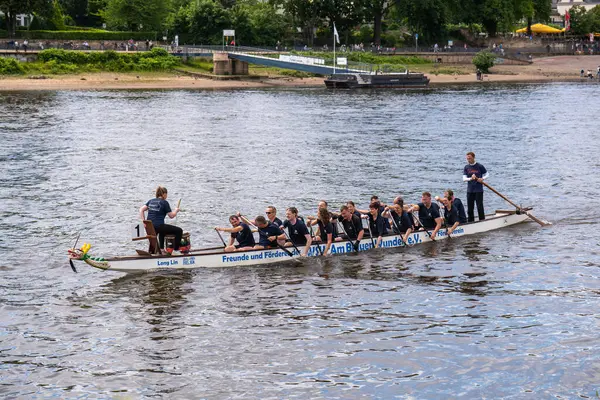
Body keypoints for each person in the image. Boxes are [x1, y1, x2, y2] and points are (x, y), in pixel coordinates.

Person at [138, 186, 182, 253]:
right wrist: (176, 210)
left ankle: (161, 249)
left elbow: (141, 209)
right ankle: (176, 249)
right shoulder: (164, 202)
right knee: (179, 231)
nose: (167, 196)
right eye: (166, 194)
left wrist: (143, 221)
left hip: (150, 227)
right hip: (158, 226)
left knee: (163, 230)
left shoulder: (151, 201)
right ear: (164, 194)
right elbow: (171, 216)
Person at [463, 151, 488, 222]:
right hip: (470, 190)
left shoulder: (479, 166)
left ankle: (482, 220)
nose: (468, 160)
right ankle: (471, 222)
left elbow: (487, 174)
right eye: (467, 158)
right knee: (470, 208)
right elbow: (464, 179)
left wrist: (482, 178)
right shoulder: (466, 167)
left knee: (479, 207)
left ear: (473, 157)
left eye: (470, 158)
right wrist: (471, 178)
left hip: (478, 190)